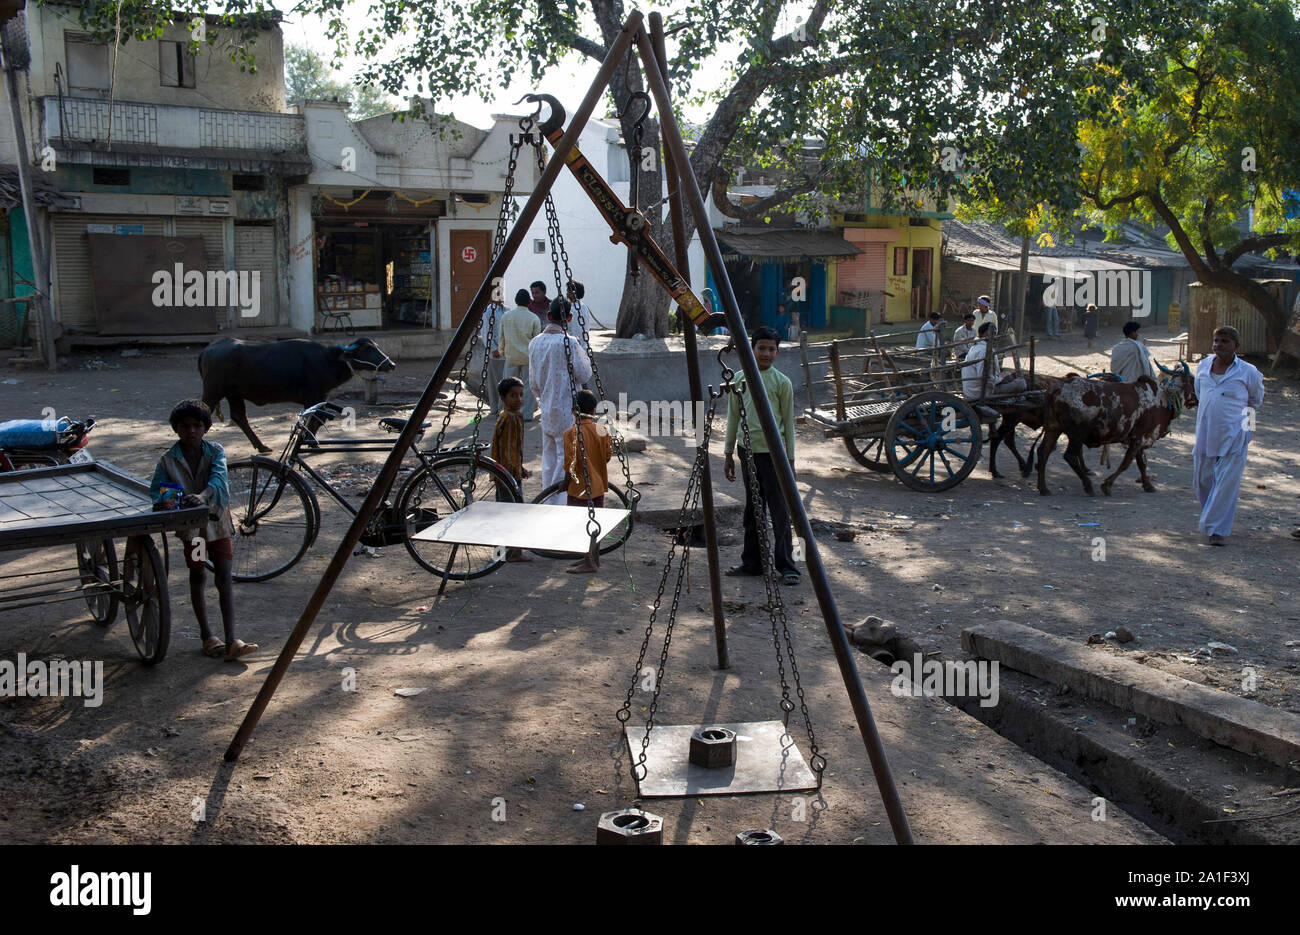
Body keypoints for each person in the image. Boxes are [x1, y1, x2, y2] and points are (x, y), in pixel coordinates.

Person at [149, 400, 256, 662]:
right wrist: (163, 501)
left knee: (224, 577)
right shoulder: (168, 460)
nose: (191, 431)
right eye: (185, 426)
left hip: (217, 524)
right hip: (193, 531)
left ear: (206, 428)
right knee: (198, 576)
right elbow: (156, 490)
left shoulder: (215, 451)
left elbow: (219, 480)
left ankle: (232, 639)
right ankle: (207, 636)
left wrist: (202, 495)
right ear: (176, 429)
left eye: (197, 426)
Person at [723, 326, 799, 586]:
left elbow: (788, 424)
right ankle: (752, 563)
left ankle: (787, 566)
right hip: (747, 452)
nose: (767, 353)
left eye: (772, 349)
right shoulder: (739, 380)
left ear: (777, 352)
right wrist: (728, 452)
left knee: (780, 511)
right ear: (752, 349)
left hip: (774, 455)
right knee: (754, 508)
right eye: (762, 348)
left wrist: (790, 460)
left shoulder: (782, 383)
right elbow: (733, 417)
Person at [1193, 326, 1264, 546]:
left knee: (1225, 483)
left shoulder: (1248, 371)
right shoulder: (1204, 366)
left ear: (1236, 346)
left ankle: (1216, 530)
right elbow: (1199, 393)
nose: (1218, 345)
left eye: (1224, 341)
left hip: (1234, 435)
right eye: (1216, 341)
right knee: (1203, 480)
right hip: (1205, 432)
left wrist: (1247, 431)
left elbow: (1255, 401)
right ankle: (1212, 518)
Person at [530, 297, 592, 504]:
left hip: (546, 406)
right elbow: (584, 374)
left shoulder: (535, 343)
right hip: (567, 408)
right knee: (564, 459)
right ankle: (558, 502)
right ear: (571, 317)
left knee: (549, 458)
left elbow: (533, 382)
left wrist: (541, 396)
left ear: (548, 316)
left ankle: (547, 501)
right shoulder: (570, 343)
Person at [563, 388, 614, 574]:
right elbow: (608, 455)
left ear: (572, 410)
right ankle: (594, 559)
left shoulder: (571, 433)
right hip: (598, 486)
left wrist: (564, 483)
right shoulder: (602, 429)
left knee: (581, 524)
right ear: (593, 411)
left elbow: (570, 464)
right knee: (595, 524)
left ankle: (588, 562)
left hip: (579, 488)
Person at [491, 376, 531, 562]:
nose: (519, 399)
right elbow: (505, 450)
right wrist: (510, 474)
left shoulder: (514, 417)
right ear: (503, 398)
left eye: (521, 395)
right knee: (511, 514)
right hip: (507, 475)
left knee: (507, 512)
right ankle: (508, 553)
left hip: (509, 473)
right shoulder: (508, 419)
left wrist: (520, 468)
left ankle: (508, 552)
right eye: (513, 396)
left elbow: (515, 449)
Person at [500, 289, 540, 420]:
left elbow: (501, 337)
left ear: (516, 301)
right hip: (528, 356)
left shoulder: (506, 316)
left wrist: (502, 351)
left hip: (511, 356)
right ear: (529, 302)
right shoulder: (534, 318)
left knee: (508, 386)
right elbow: (536, 341)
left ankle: (509, 412)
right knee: (527, 387)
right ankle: (526, 414)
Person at [475, 302, 506, 415]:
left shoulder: (508, 308)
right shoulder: (489, 311)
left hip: (509, 352)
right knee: (495, 383)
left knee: (507, 383)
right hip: (496, 353)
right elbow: (486, 331)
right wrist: (493, 348)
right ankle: (495, 408)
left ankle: (503, 408)